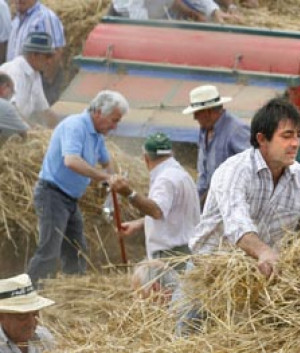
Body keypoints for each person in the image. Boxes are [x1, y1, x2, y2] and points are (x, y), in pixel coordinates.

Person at [190, 98, 300, 277]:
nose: (296, 143)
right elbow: (237, 224)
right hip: (210, 273)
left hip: (259, 276)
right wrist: (264, 252)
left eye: (298, 135)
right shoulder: (235, 171)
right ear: (262, 139)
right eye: (286, 136)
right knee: (186, 306)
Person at [26, 91, 127, 284]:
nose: (114, 126)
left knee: (77, 250)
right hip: (52, 194)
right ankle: (28, 295)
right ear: (98, 112)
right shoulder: (75, 126)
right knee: (49, 251)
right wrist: (104, 177)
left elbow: (106, 161)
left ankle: (73, 292)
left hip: (70, 199)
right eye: (113, 120)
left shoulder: (97, 135)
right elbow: (71, 161)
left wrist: (112, 180)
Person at [109, 132, 200, 261]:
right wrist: (139, 224)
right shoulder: (181, 174)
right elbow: (171, 212)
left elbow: (156, 210)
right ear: (171, 154)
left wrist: (128, 193)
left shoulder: (164, 180)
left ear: (145, 158)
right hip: (184, 251)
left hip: (169, 256)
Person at [182, 84, 250, 205]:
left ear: (208, 112)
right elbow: (203, 175)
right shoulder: (204, 132)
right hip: (213, 203)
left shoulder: (237, 131)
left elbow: (252, 167)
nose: (194, 117)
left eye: (197, 113)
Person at [7, 0, 65, 106]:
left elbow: (56, 51)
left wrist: (47, 82)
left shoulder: (45, 17)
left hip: (36, 80)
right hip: (16, 79)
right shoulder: (16, 21)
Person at [0, 32, 54, 126]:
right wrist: (36, 132)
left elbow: (45, 112)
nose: (50, 61)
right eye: (47, 56)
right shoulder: (16, 72)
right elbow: (13, 113)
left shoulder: (35, 74)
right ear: (34, 55)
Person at [0, 274, 55, 353]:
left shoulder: (44, 337)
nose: (31, 322)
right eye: (22, 316)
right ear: (1, 316)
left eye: (35, 314)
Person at [0, 73, 28, 145]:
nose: (12, 95)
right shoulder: (6, 107)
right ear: (4, 87)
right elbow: (27, 133)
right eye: (12, 91)